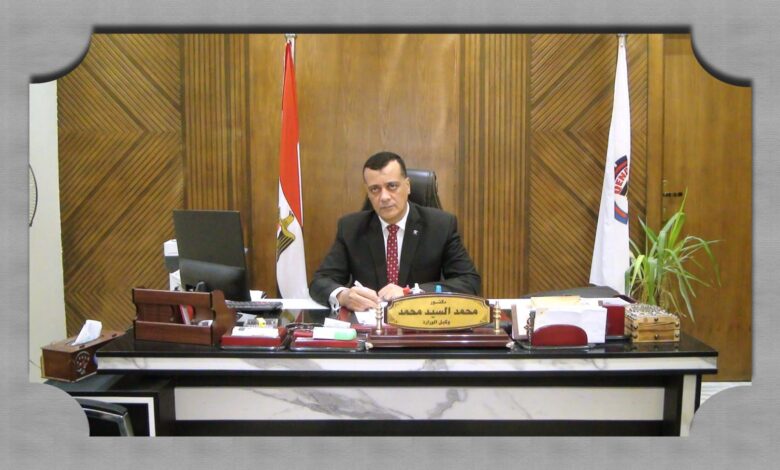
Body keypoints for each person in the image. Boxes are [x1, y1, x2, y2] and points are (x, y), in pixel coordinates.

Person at [309, 151, 481, 311]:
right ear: (368, 192)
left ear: (408, 186)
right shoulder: (351, 228)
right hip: (369, 325)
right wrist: (343, 296)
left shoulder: (440, 225)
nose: (384, 197)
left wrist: (412, 293)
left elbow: (469, 282)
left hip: (421, 324)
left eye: (392, 186)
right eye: (375, 189)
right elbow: (320, 282)